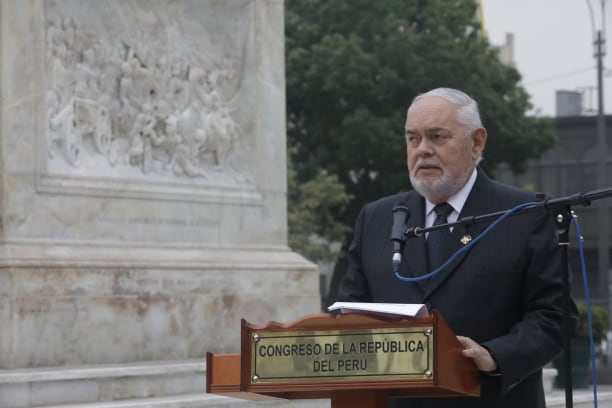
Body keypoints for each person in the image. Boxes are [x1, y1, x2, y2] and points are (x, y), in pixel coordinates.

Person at [335, 87, 576, 408]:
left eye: (437, 137)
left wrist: (494, 355)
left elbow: (555, 315)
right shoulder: (377, 218)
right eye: (413, 139)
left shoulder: (525, 213)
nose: (423, 150)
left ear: (476, 142)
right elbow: (349, 311)